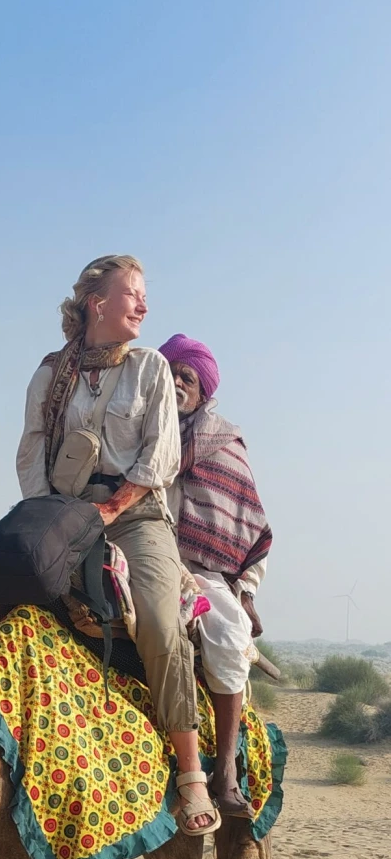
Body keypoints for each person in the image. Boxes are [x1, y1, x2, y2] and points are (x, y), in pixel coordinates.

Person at [16, 254, 219, 835]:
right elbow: (32, 454)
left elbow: (161, 456)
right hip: (63, 513)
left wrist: (111, 507)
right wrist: (45, 517)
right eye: (132, 293)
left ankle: (190, 771)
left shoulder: (150, 367)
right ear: (95, 303)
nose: (144, 305)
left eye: (144, 294)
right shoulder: (49, 375)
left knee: (156, 621)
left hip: (136, 515)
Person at [158, 333, 272, 817]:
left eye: (186, 377)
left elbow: (250, 523)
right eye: (170, 375)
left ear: (203, 390)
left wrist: (244, 590)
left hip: (203, 573)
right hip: (138, 551)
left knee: (227, 630)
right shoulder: (141, 430)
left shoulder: (226, 442)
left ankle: (223, 770)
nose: (178, 383)